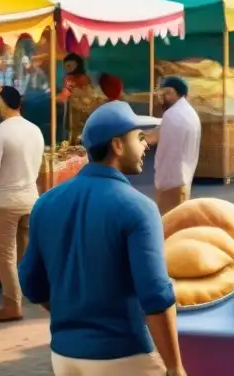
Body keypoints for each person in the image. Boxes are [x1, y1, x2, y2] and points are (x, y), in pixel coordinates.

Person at [19, 102, 185, 376]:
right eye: (139, 138)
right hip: (123, 356)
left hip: (64, 356)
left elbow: (31, 284)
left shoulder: (46, 203)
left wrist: (73, 318)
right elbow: (155, 295)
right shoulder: (138, 208)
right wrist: (175, 367)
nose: (146, 146)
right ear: (118, 145)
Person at [0, 86, 44, 323]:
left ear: (1, 104)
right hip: (31, 198)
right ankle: (31, 295)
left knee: (5, 257)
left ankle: (11, 305)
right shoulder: (35, 130)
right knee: (25, 254)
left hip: (6, 201)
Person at [153, 77, 201, 216]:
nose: (165, 97)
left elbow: (166, 151)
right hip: (184, 177)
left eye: (168, 93)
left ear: (180, 93)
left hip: (171, 180)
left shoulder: (172, 115)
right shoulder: (190, 113)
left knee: (168, 223)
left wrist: (160, 180)